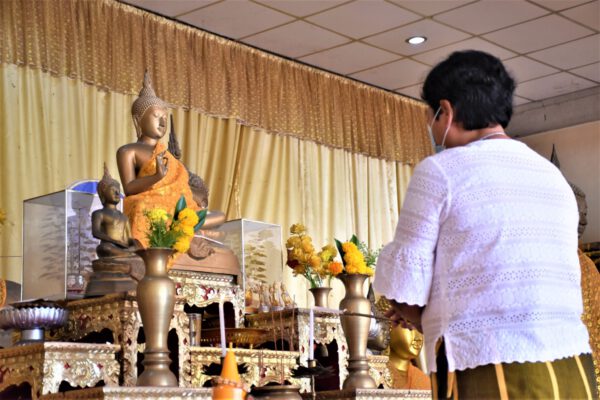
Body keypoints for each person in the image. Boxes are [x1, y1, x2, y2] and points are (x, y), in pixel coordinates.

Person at [373, 50, 597, 399]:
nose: (432, 128)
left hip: (487, 364)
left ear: (445, 111)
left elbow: (405, 290)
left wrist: (416, 313)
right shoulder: (552, 177)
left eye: (431, 117)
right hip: (571, 367)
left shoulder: (441, 171)